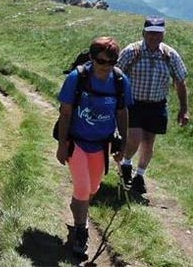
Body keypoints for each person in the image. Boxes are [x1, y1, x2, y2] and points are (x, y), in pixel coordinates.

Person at [56, 36, 132, 256]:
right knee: (82, 187)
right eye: (101, 61)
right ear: (91, 58)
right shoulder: (76, 78)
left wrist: (124, 142)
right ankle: (81, 231)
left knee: (93, 188)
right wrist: (62, 145)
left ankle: (78, 209)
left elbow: (122, 112)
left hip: (101, 145)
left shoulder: (119, 81)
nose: (105, 67)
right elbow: (66, 112)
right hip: (77, 142)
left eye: (111, 62)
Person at [116, 16, 189, 195]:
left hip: (157, 104)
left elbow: (180, 81)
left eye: (157, 34)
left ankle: (139, 176)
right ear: (144, 33)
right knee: (134, 138)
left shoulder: (170, 55)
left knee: (149, 141)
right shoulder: (131, 52)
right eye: (150, 34)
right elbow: (116, 74)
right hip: (133, 103)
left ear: (163, 35)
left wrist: (184, 108)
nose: (154, 38)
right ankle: (126, 163)